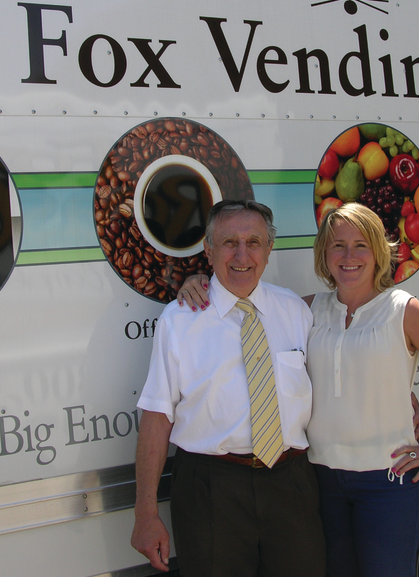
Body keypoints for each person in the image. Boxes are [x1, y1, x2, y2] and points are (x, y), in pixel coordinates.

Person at [178, 203, 419, 577]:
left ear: (378, 251)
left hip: (386, 483)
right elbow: (245, 304)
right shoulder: (307, 310)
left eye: (360, 245)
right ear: (324, 253)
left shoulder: (402, 309)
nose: (349, 256)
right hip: (322, 482)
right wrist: (200, 282)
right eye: (338, 245)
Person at [130, 199, 326, 577]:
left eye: (253, 243)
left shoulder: (295, 311)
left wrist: (404, 397)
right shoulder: (179, 321)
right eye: (228, 243)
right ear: (208, 249)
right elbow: (156, 417)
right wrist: (145, 514)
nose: (241, 255)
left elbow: (334, 376)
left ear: (269, 249)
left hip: (292, 484)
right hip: (210, 490)